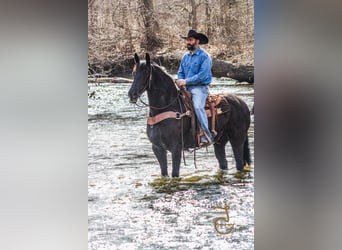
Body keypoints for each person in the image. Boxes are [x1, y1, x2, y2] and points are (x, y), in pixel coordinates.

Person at [176, 29, 213, 146]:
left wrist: (185, 81)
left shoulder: (205, 57)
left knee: (197, 107)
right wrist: (180, 80)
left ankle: (206, 136)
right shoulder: (185, 56)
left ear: (197, 41)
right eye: (187, 40)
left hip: (199, 88)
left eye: (190, 40)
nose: (188, 42)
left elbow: (203, 76)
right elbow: (181, 72)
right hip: (185, 87)